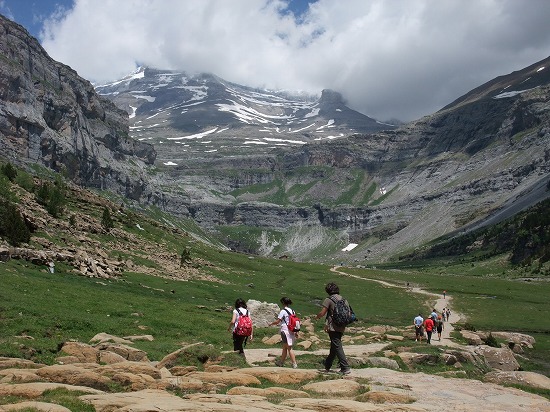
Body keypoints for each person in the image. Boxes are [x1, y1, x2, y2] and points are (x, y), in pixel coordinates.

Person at [314, 282, 351, 375]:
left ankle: (345, 368)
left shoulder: (328, 300)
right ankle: (328, 365)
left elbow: (322, 313)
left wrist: (317, 317)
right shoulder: (344, 299)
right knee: (334, 346)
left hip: (333, 326)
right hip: (342, 325)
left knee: (337, 345)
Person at [270, 297, 298, 368]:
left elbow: (277, 321)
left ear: (283, 303)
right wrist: (296, 332)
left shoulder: (283, 311)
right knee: (285, 347)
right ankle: (281, 362)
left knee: (289, 347)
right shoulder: (293, 311)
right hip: (291, 330)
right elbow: (295, 322)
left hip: (285, 330)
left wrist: (271, 324)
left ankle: (294, 363)